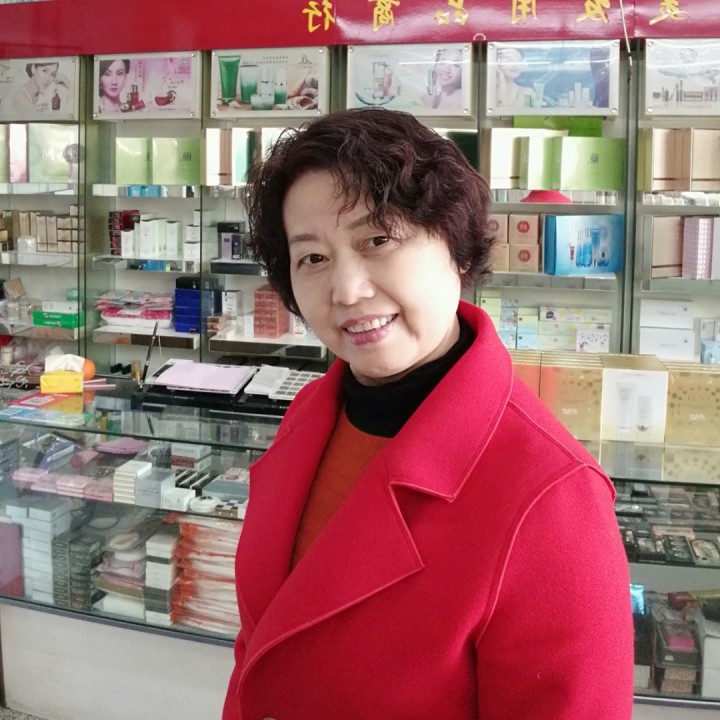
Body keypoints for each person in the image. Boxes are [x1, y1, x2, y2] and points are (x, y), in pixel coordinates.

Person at [222, 107, 634, 720]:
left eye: (377, 240)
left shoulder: (552, 495)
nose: (346, 290)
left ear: (456, 248)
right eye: (313, 258)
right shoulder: (310, 414)